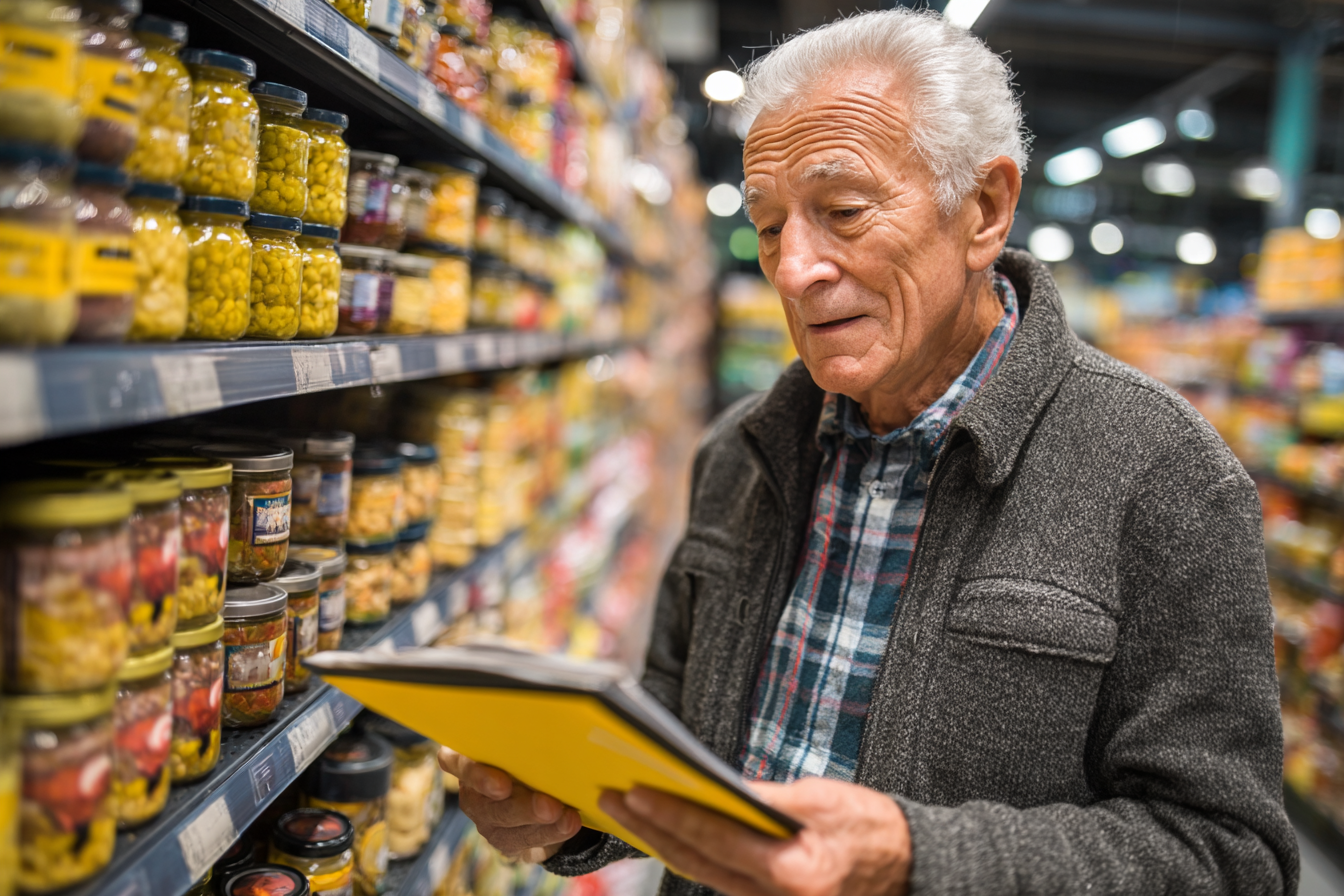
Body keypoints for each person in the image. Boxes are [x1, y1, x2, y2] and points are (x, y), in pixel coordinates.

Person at [439, 8, 1299, 895]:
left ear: (984, 210)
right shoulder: (739, 454)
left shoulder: (1165, 480)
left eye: (843, 212)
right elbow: (675, 721)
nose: (793, 268)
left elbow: (1228, 856)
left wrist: (913, 856)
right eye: (770, 226)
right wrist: (572, 800)